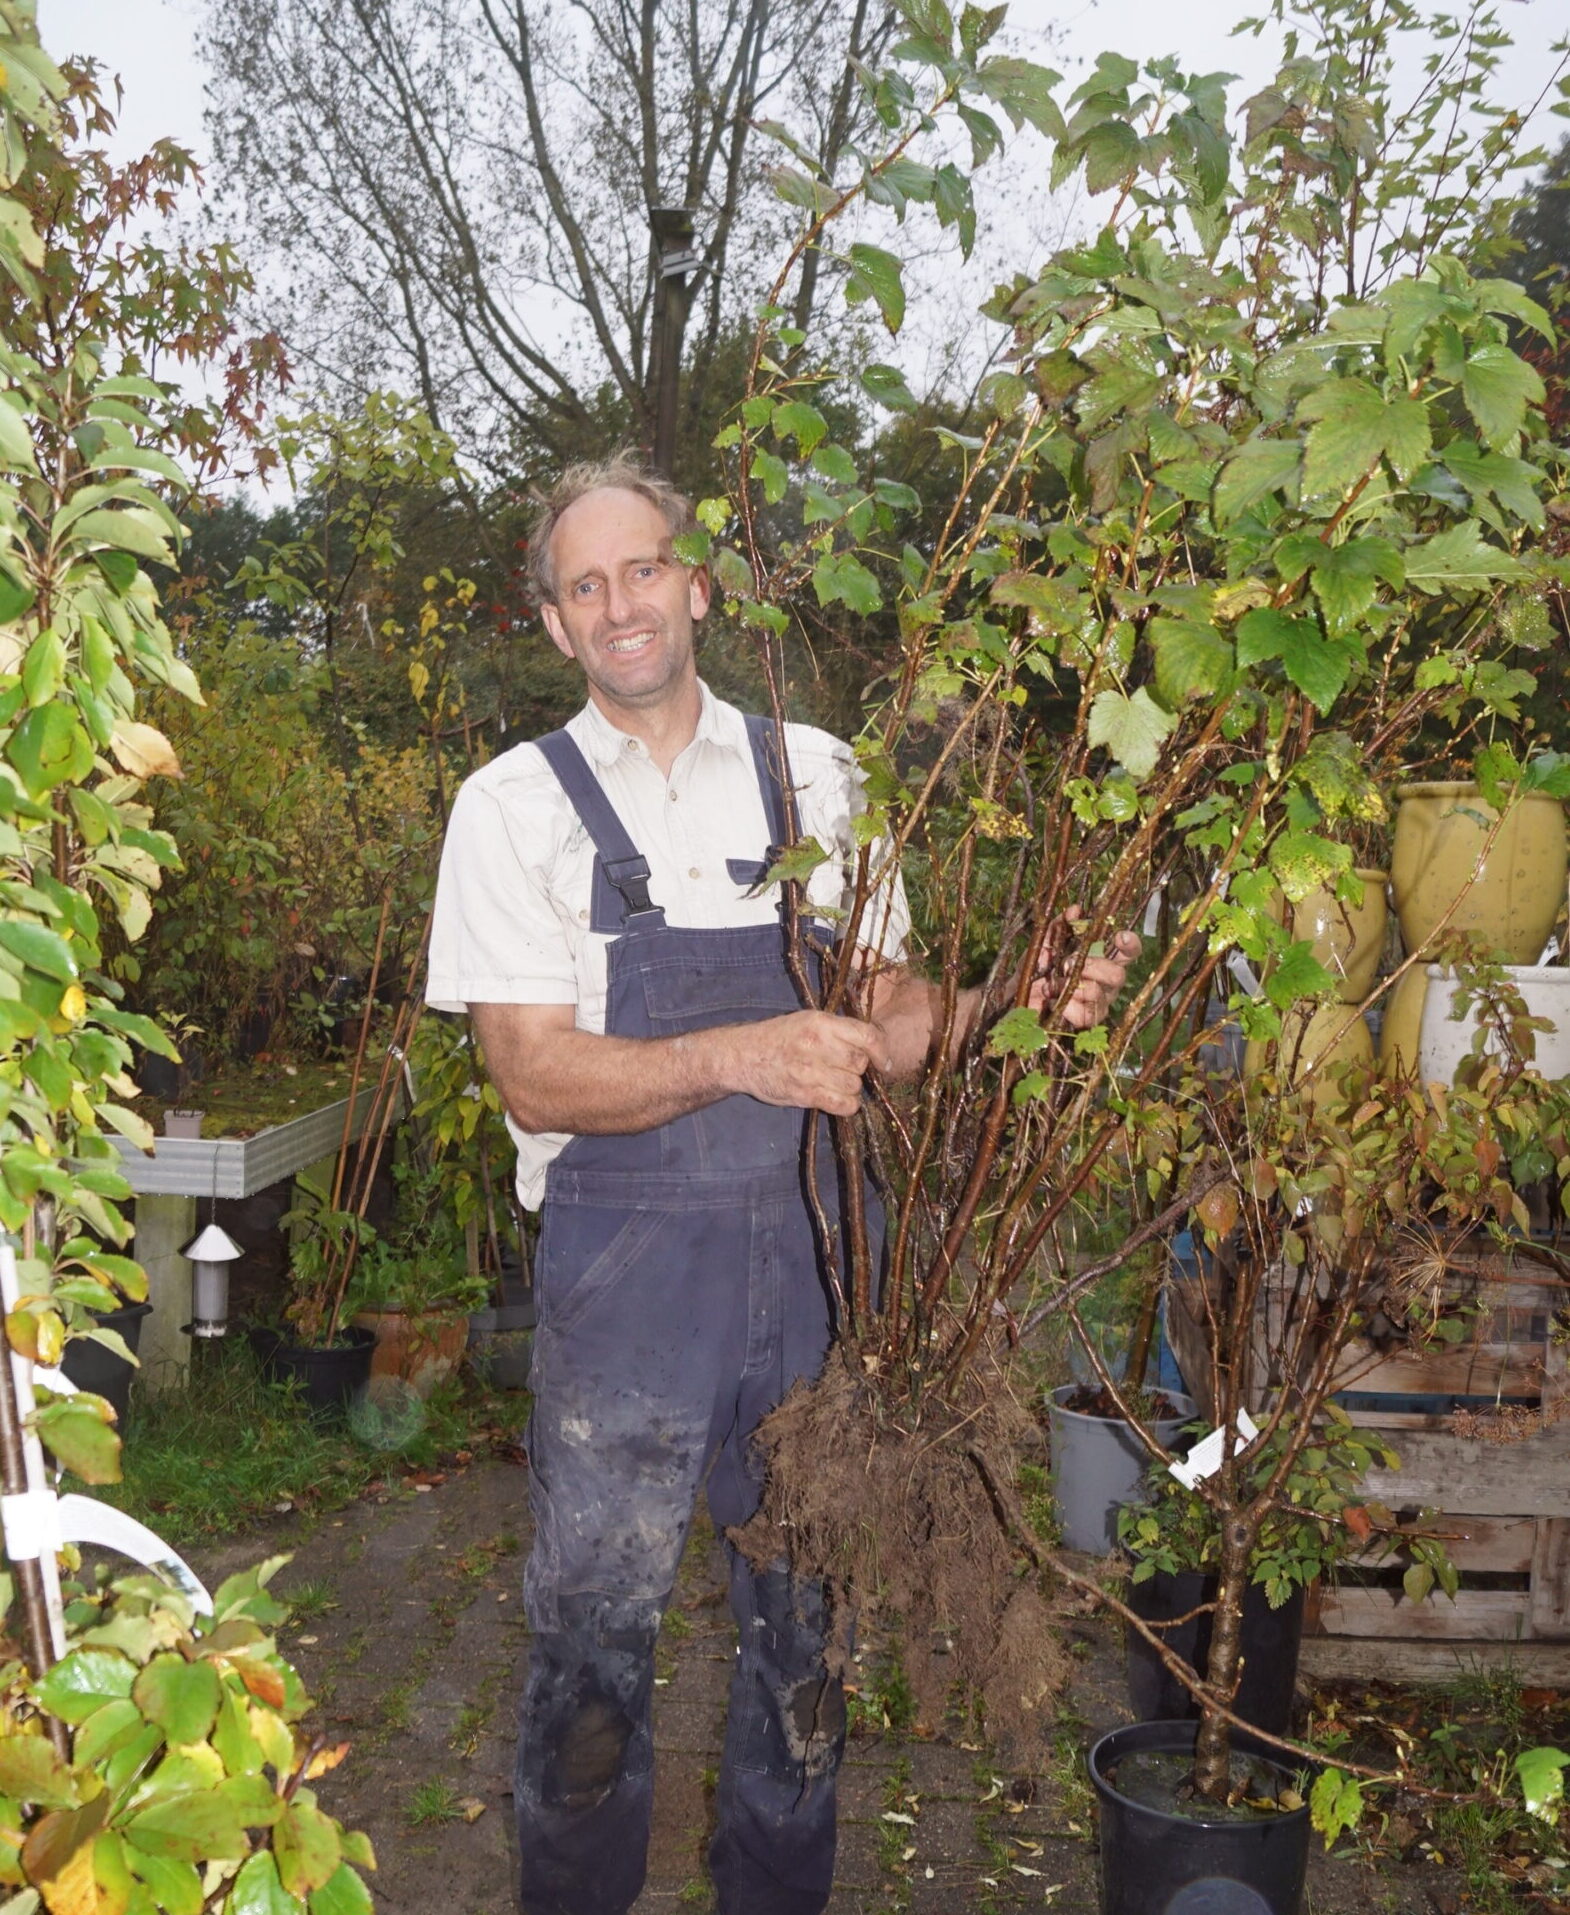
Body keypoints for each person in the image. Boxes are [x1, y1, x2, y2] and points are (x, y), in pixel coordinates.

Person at [426, 456, 1138, 1915]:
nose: (619, 604)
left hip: (820, 1272)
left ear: (698, 585)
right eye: (584, 585)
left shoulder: (813, 775)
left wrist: (1018, 998)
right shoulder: (512, 810)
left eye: (642, 570)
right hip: (628, 1293)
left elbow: (887, 1020)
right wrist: (736, 1052)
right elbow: (532, 1075)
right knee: (591, 1658)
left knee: (803, 1647)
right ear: (556, 626)